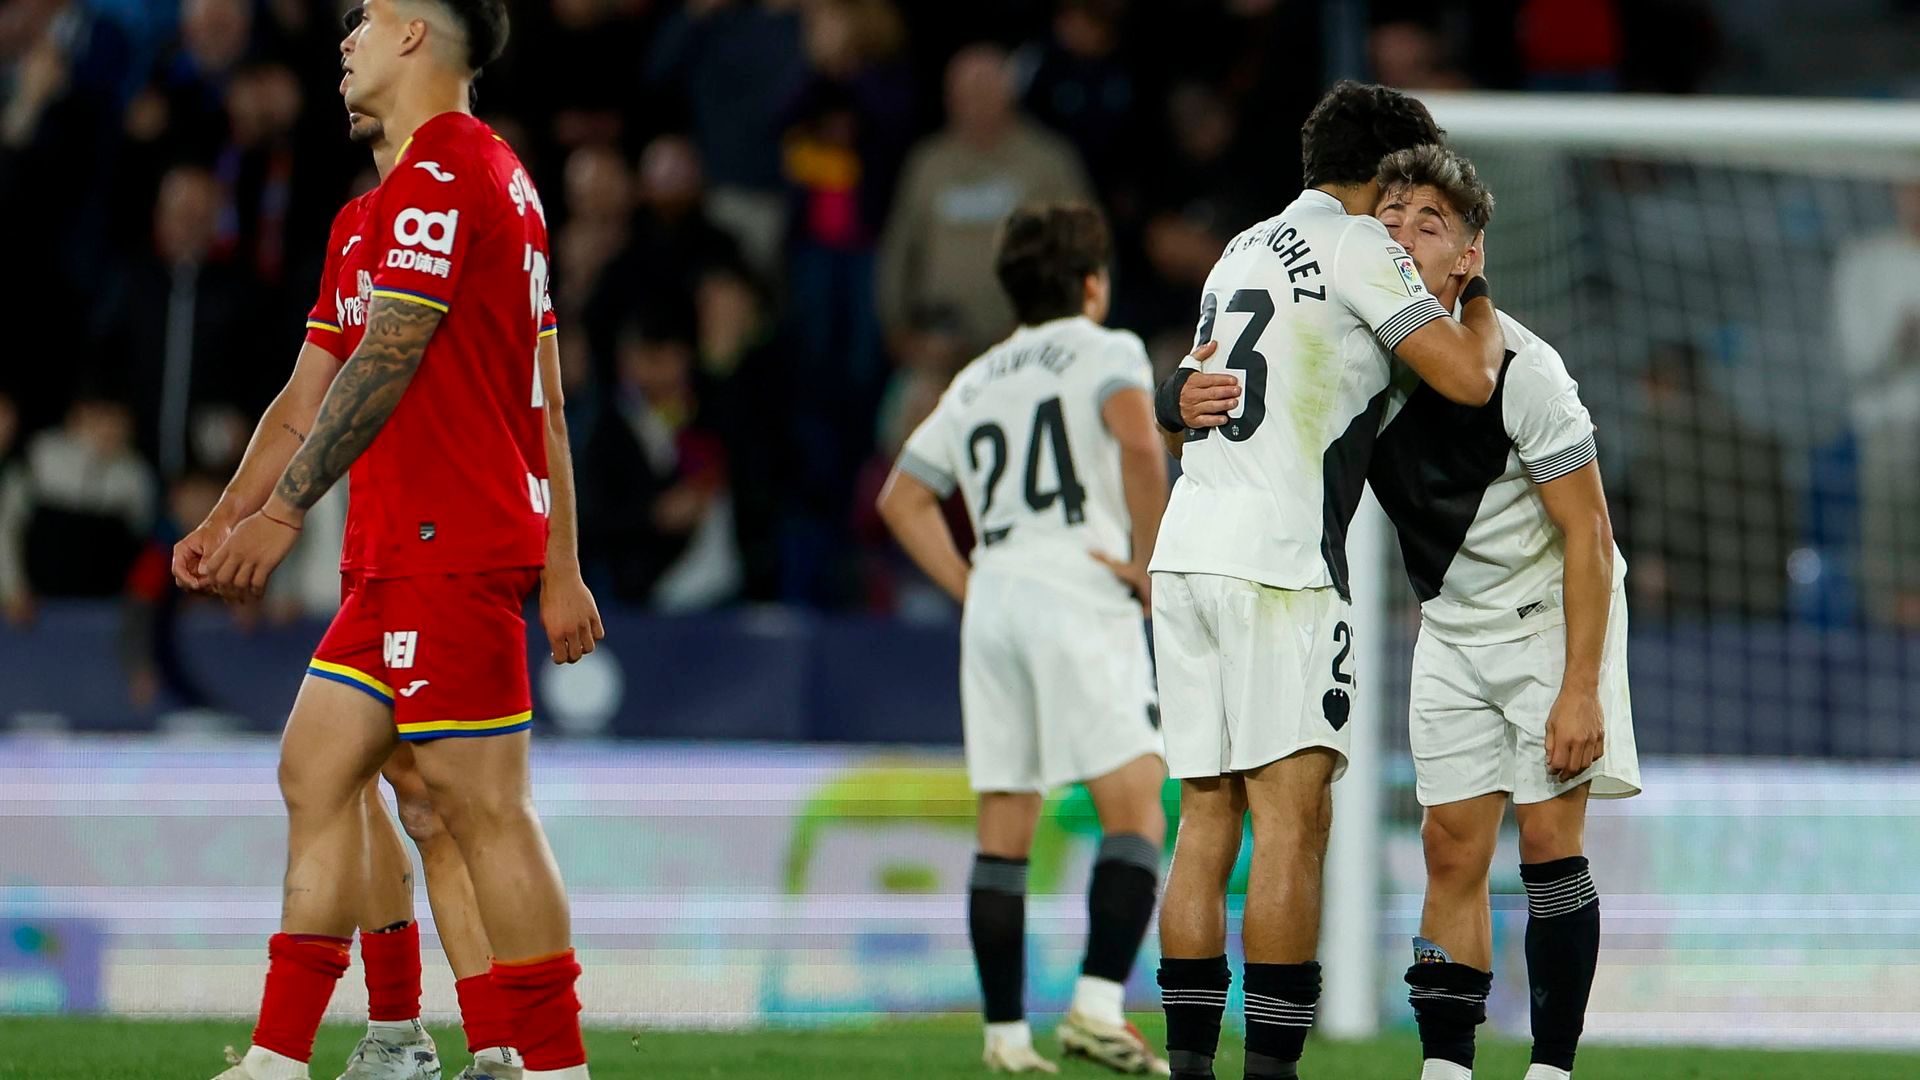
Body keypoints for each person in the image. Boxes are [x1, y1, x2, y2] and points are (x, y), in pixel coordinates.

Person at [183, 3, 597, 1077]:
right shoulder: (371, 215)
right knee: (319, 771)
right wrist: (227, 514)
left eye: (368, 15)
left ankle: (546, 1062)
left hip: (454, 544)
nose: (347, 34)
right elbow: (304, 394)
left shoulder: (459, 171)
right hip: (388, 556)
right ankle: (293, 1056)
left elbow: (399, 356)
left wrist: (282, 517)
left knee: (479, 809)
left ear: (418, 33)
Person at [1151, 82, 1507, 1080]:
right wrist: (1470, 287)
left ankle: (1188, 1070)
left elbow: (1188, 388)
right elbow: (1467, 378)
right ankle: (1269, 1071)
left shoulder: (1243, 245)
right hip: (1278, 565)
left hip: (1189, 547)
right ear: (1383, 175)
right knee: (1292, 823)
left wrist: (1166, 396)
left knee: (1205, 819)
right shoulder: (1362, 249)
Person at [1365, 145, 1640, 1080]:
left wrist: (1580, 690)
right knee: (1448, 849)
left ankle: (1551, 1069)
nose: (1402, 234)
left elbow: (1589, 536)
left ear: (1468, 258)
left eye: (1429, 224)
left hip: (1548, 622)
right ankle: (1446, 1067)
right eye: (1391, 216)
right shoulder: (1354, 356)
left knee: (1549, 844)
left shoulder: (1526, 368)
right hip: (1449, 630)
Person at [877, 203, 1171, 1076]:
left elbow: (902, 497)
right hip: (1079, 583)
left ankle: (1006, 1038)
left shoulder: (976, 377)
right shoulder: (1107, 348)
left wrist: (973, 585)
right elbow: (1139, 441)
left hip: (1000, 594)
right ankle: (1095, 1006)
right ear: (1091, 284)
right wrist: (1151, 562)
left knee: (1006, 820)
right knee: (1137, 805)